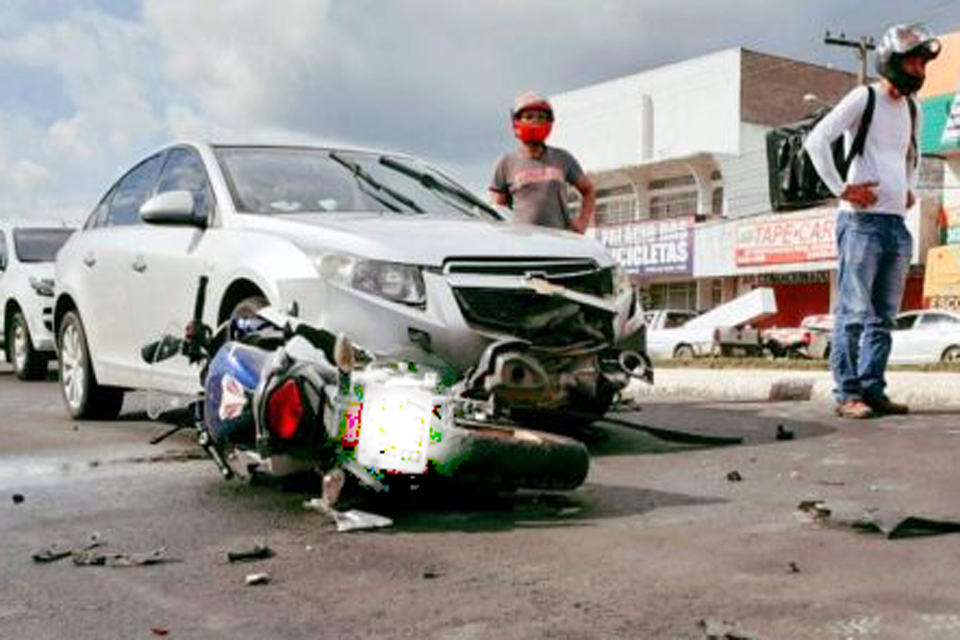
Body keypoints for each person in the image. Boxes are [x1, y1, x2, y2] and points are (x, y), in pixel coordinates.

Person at [805, 23, 940, 419]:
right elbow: (816, 140)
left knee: (882, 317)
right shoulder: (863, 98)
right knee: (852, 313)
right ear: (893, 61)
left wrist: (910, 187)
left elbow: (912, 155)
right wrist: (840, 189)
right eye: (915, 62)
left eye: (923, 63)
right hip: (860, 223)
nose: (920, 70)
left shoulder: (914, 109)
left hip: (897, 225)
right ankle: (847, 394)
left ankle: (872, 388)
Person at [489, 91, 596, 233]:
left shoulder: (563, 158)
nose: (535, 121)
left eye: (541, 117)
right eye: (529, 116)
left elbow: (588, 190)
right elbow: (498, 211)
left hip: (560, 240)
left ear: (549, 122)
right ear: (517, 122)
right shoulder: (506, 163)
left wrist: (581, 224)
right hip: (523, 245)